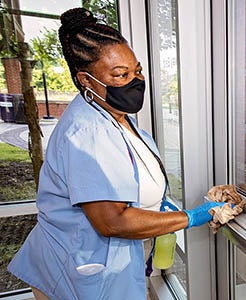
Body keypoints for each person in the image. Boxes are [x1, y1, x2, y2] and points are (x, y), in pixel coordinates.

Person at [8, 7, 227, 300]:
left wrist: (156, 210)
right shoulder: (87, 133)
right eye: (120, 75)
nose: (135, 81)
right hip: (79, 270)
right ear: (86, 80)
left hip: (111, 267)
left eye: (136, 70)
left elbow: (131, 180)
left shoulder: (118, 118)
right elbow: (112, 221)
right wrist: (192, 216)